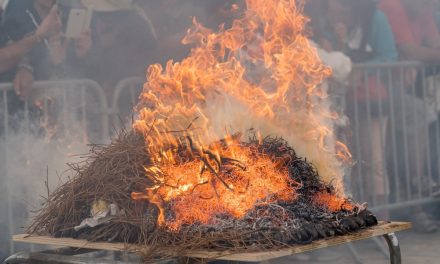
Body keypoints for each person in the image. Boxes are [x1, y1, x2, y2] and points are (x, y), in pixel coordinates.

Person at [324, 0, 397, 220]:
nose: (333, 7)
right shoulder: (334, 24)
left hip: (372, 101)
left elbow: (389, 57)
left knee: (374, 160)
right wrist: (340, 42)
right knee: (349, 161)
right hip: (344, 105)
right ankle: (356, 216)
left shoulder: (375, 19)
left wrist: (361, 72)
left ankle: (382, 218)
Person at [379, 0, 440, 232]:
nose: (429, 10)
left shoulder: (423, 10)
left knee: (424, 113)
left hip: (405, 89)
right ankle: (417, 184)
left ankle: (419, 191)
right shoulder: (393, 7)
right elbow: (409, 50)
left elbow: (434, 43)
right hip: (381, 88)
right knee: (420, 112)